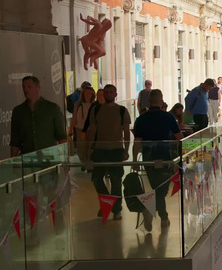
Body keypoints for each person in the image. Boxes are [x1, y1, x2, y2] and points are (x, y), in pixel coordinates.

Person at [132, 89, 181, 229]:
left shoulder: (141, 119)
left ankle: (159, 215)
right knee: (161, 190)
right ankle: (160, 216)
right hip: (165, 157)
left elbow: (137, 142)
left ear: (148, 102)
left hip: (148, 157)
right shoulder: (169, 117)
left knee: (156, 188)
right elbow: (179, 139)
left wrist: (135, 159)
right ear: (161, 101)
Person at [87, 84, 131, 221]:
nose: (109, 94)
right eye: (106, 92)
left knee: (116, 180)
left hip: (116, 150)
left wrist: (126, 149)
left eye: (111, 92)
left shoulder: (122, 110)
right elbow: (92, 129)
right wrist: (89, 149)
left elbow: (126, 131)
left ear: (116, 94)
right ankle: (108, 203)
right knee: (96, 178)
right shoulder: (96, 109)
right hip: (100, 149)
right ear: (103, 94)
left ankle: (116, 209)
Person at [9, 76, 68, 157]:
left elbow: (62, 137)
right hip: (27, 159)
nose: (25, 90)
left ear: (38, 88)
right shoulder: (18, 111)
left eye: (29, 86)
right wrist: (13, 163)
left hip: (49, 159)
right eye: (24, 87)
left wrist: (65, 160)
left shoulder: (52, 109)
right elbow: (15, 142)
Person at [72, 85, 97, 162]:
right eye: (86, 93)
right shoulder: (78, 104)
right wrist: (71, 130)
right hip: (79, 128)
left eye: (90, 94)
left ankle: (88, 163)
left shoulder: (94, 105)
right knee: (81, 147)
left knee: (90, 147)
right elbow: (74, 117)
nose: (88, 95)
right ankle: (84, 162)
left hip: (91, 129)